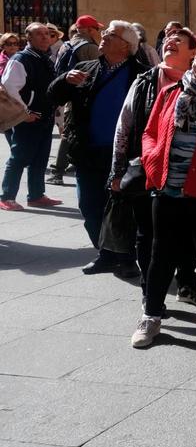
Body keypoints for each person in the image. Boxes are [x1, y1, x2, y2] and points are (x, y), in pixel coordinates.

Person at [130, 36, 196, 348]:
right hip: (168, 186)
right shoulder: (170, 92)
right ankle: (151, 315)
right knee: (160, 252)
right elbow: (150, 132)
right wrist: (151, 161)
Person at [111, 27, 196, 306]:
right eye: (167, 40)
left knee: (187, 233)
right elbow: (124, 125)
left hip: (187, 172)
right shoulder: (145, 81)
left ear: (193, 52)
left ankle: (187, 283)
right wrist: (116, 171)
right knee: (148, 233)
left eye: (180, 40)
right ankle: (149, 291)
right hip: (148, 168)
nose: (170, 43)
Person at [49, 21, 148, 274]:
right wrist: (64, 80)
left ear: (126, 46)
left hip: (124, 154)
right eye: (105, 33)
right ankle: (105, 253)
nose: (103, 37)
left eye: (111, 35)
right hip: (88, 151)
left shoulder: (143, 75)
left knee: (122, 209)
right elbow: (53, 96)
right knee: (89, 206)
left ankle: (125, 258)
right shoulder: (86, 68)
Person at [1, 23, 60, 210]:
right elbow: (9, 88)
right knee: (20, 156)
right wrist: (24, 113)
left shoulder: (45, 57)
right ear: (29, 38)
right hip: (28, 118)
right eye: (39, 34)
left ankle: (36, 195)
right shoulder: (22, 59)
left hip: (44, 116)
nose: (45, 37)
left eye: (47, 34)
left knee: (41, 158)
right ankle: (6, 196)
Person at [49, 14, 103, 185]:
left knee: (68, 131)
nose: (99, 32)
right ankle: (58, 169)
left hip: (68, 94)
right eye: (97, 29)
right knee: (70, 133)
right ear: (89, 30)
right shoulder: (90, 48)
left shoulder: (66, 45)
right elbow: (97, 73)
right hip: (84, 96)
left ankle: (60, 168)